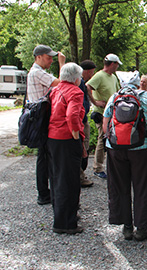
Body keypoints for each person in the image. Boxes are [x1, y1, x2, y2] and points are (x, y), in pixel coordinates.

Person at [102, 72, 147, 241]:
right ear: (137, 83)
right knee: (143, 186)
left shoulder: (114, 97)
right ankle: (142, 228)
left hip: (115, 148)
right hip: (142, 148)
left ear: (121, 83)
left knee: (119, 185)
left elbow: (106, 125)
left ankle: (126, 227)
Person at [47, 63, 85, 234]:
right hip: (67, 138)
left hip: (52, 138)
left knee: (57, 178)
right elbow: (72, 115)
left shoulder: (55, 89)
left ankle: (61, 214)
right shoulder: (75, 92)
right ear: (76, 78)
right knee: (69, 181)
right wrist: (76, 136)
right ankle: (66, 223)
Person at [27, 45, 66, 205]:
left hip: (39, 119)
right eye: (48, 57)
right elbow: (64, 84)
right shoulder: (37, 73)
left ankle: (44, 192)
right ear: (39, 57)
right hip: (42, 120)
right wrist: (62, 64)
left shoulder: (36, 72)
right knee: (44, 157)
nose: (51, 60)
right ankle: (43, 194)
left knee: (43, 156)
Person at [86, 54, 121, 179]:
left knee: (111, 138)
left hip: (112, 113)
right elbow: (87, 87)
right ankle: (98, 167)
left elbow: (118, 91)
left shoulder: (113, 77)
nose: (117, 67)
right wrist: (95, 102)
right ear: (112, 64)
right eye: (117, 64)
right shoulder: (99, 76)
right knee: (103, 138)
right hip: (101, 113)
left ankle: (110, 165)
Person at [78, 60, 97, 188]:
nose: (93, 74)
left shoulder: (83, 83)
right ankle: (79, 177)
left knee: (84, 147)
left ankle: (81, 174)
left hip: (83, 119)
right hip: (80, 121)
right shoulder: (78, 83)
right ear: (88, 71)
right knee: (82, 148)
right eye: (92, 71)